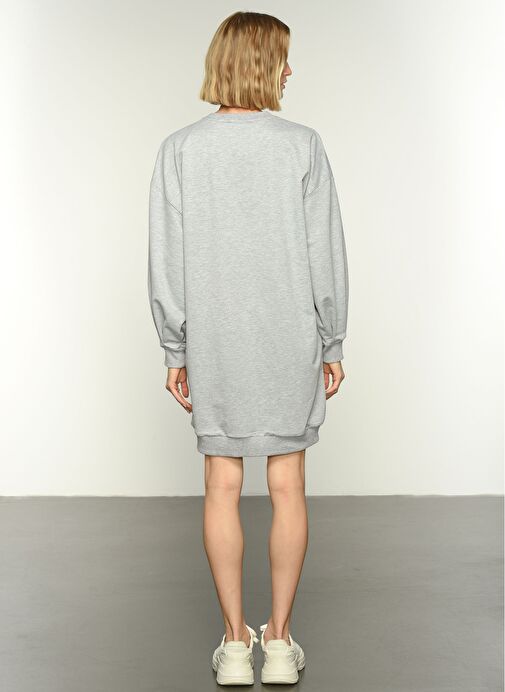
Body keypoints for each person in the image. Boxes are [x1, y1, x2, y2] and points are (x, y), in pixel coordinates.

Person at [148, 10, 349, 686]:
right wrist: (332, 337)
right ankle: (280, 644)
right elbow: (325, 253)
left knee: (221, 484)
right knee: (288, 484)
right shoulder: (301, 145)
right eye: (283, 58)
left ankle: (236, 645)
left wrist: (175, 348)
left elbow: (166, 260)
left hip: (216, 339)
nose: (291, 71)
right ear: (262, 63)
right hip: (288, 335)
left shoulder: (181, 149)